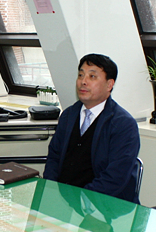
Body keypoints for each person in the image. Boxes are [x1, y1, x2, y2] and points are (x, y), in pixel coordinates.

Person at [43, 53, 140, 203]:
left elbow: (115, 178)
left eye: (92, 76)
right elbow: (54, 158)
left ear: (109, 85)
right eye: (81, 75)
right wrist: (52, 190)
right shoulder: (69, 115)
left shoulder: (123, 124)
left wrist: (81, 200)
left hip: (104, 205)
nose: (83, 82)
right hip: (64, 200)